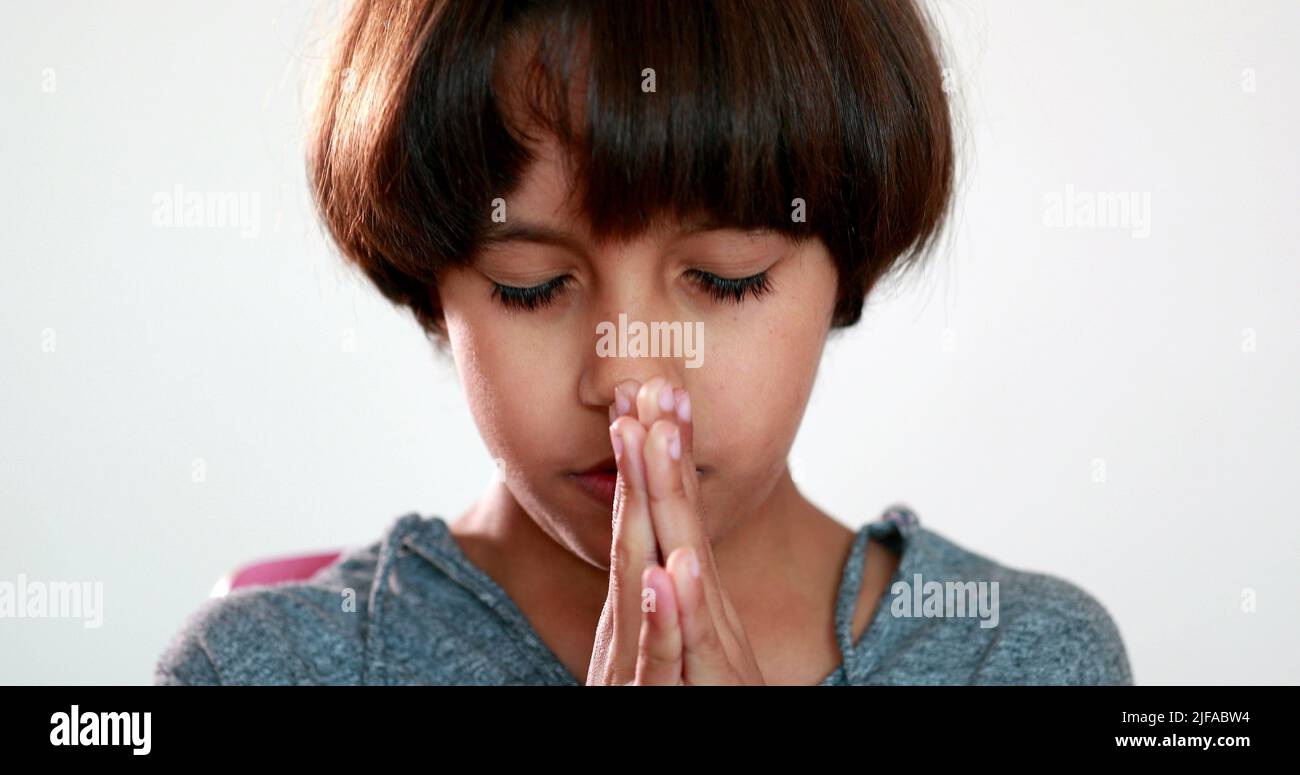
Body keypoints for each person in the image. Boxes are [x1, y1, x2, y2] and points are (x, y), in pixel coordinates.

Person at [155, 0, 1133, 685]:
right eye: (528, 287)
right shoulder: (259, 668)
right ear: (433, 282)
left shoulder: (1019, 656)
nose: (630, 374)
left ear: (845, 261)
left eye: (724, 278)